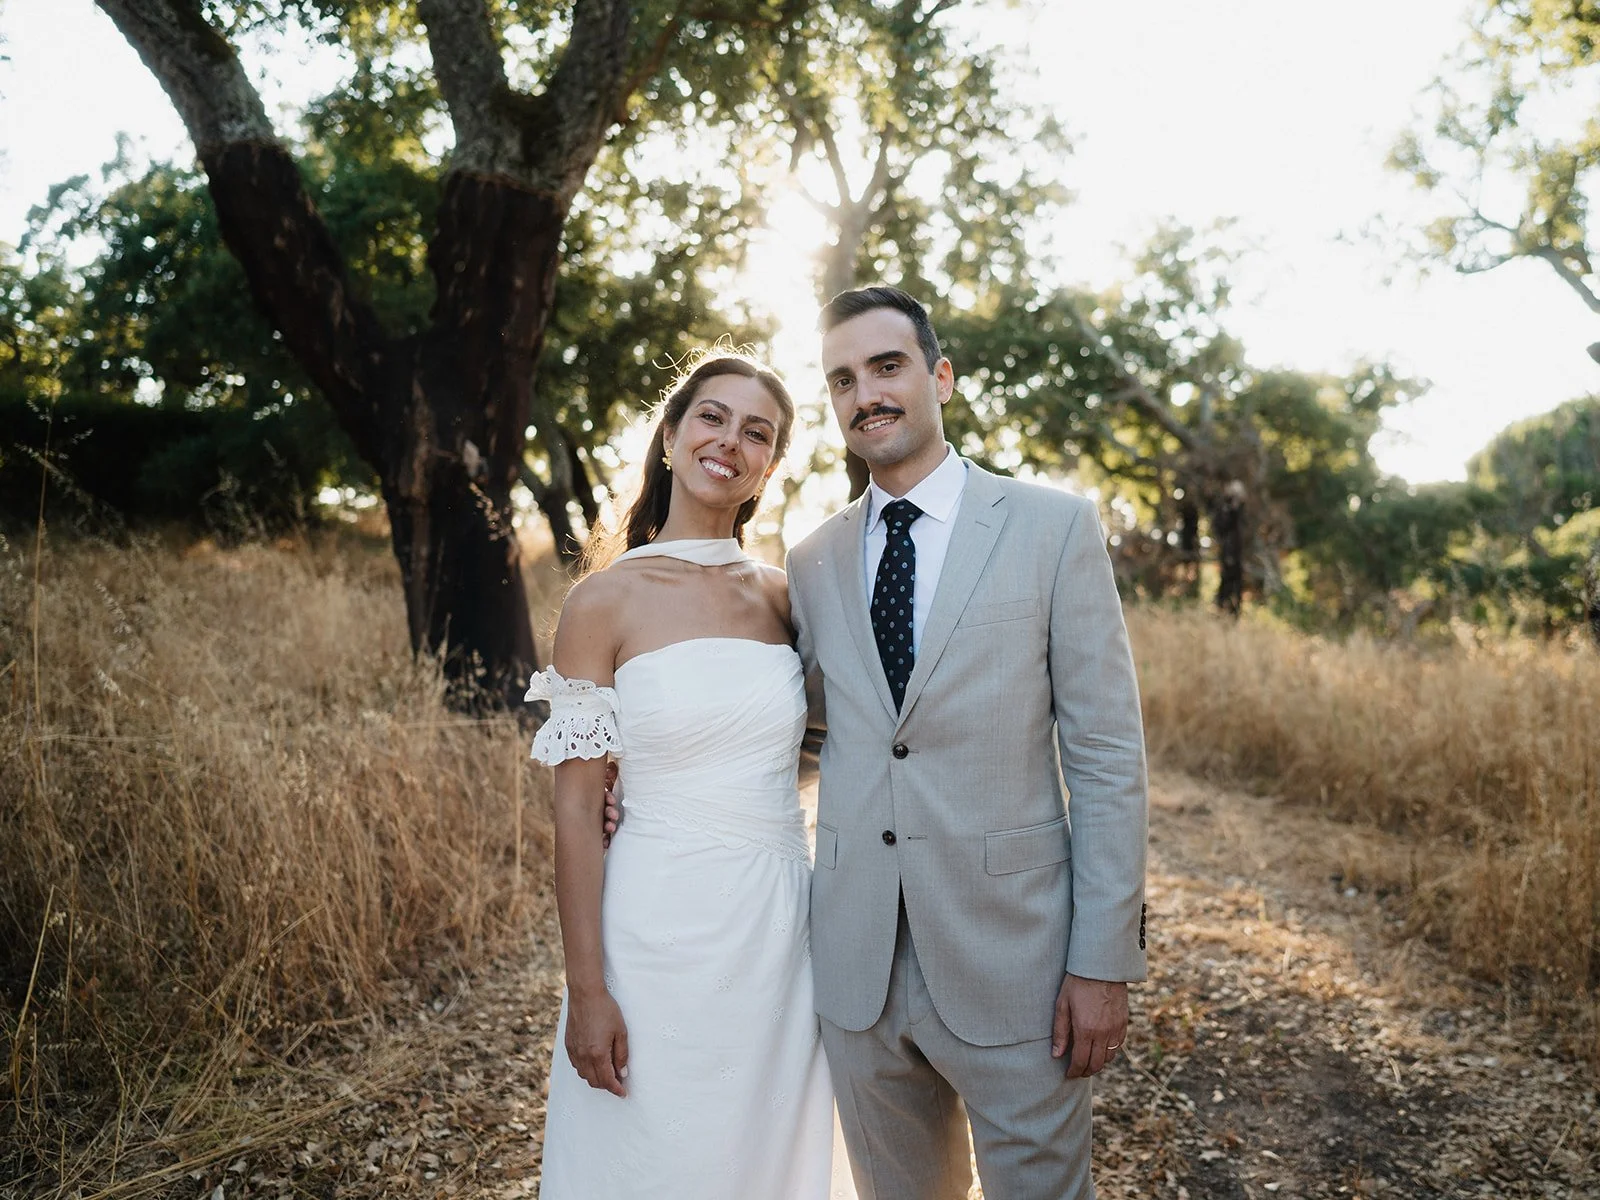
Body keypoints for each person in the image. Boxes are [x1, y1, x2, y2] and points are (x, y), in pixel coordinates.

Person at [785, 285, 1149, 1200]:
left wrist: (1102, 960)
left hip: (1016, 965)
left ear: (940, 375)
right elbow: (797, 728)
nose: (865, 392)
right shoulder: (811, 560)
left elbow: (1106, 757)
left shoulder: (1052, 527)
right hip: (857, 966)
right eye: (842, 378)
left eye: (887, 366)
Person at [525, 351, 836, 1199]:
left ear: (769, 464)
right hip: (653, 930)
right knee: (654, 1159)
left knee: (764, 1160)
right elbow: (578, 811)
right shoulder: (604, 603)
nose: (730, 441)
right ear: (670, 436)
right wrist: (587, 991)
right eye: (712, 417)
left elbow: (804, 750)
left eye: (757, 431)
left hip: (779, 927)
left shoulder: (786, 595)